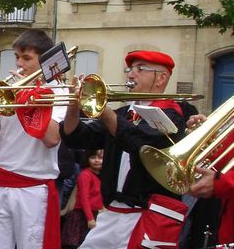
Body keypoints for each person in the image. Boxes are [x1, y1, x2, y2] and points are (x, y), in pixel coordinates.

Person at [61, 50, 187, 248]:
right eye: (130, 69)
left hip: (147, 215)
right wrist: (73, 106)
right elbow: (76, 137)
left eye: (140, 69)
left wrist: (102, 110)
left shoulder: (172, 115)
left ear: (161, 78)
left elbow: (137, 143)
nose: (130, 75)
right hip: (111, 213)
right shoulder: (123, 114)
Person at [0, 29, 66, 248]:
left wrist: (29, 100)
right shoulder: (6, 90)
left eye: (27, 58)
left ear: (44, 60)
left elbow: (51, 138)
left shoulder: (58, 92)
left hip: (33, 188)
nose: (19, 64)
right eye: (17, 57)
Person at [62, 149, 104, 248]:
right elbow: (84, 198)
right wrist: (90, 218)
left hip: (93, 213)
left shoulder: (100, 176)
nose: (97, 160)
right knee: (76, 243)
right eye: (93, 157)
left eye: (100, 158)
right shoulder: (85, 175)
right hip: (81, 215)